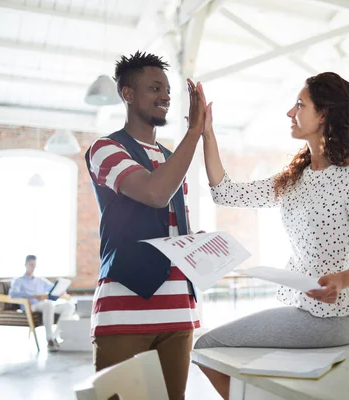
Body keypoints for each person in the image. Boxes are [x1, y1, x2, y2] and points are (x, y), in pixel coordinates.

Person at [195, 72, 349, 399]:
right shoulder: (296, 179)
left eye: (300, 104)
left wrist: (342, 279)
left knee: (208, 344)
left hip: (333, 316)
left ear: (324, 114)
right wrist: (207, 133)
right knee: (214, 351)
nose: (291, 112)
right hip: (300, 307)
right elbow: (225, 193)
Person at [85, 51, 208, 400]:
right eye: (155, 88)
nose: (166, 96)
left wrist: (192, 242)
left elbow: (167, 220)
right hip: (124, 308)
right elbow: (155, 193)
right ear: (127, 94)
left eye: (168, 89)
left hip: (178, 310)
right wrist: (195, 132)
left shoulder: (172, 158)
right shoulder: (106, 149)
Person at [9, 255, 75, 352]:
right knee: (48, 304)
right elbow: (13, 294)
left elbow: (52, 289)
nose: (33, 267)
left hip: (44, 305)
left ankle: (54, 336)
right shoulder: (18, 280)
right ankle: (49, 340)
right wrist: (34, 295)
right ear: (25, 264)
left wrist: (61, 292)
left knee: (69, 306)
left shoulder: (40, 280)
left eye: (34, 265)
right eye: (31, 264)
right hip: (30, 306)